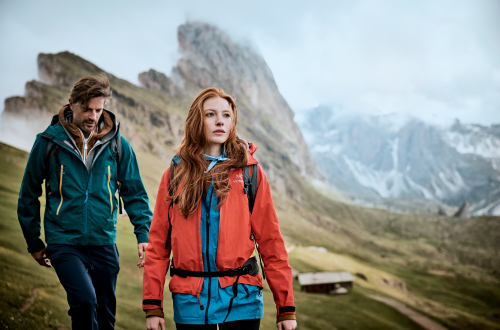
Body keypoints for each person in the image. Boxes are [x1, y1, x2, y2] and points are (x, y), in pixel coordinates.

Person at [142, 87, 297, 330]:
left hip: (242, 298)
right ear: (197, 120)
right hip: (190, 301)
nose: (219, 122)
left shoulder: (250, 173)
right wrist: (153, 304)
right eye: (210, 114)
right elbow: (159, 244)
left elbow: (271, 242)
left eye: (226, 115)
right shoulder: (175, 174)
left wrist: (285, 308)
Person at [17, 73, 153, 330]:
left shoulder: (118, 145)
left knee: (105, 319)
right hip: (64, 241)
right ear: (72, 104)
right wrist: (34, 241)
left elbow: (135, 193)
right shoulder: (48, 143)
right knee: (85, 302)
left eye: (98, 110)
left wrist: (143, 234)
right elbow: (28, 194)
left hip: (104, 242)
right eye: (87, 109)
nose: (93, 116)